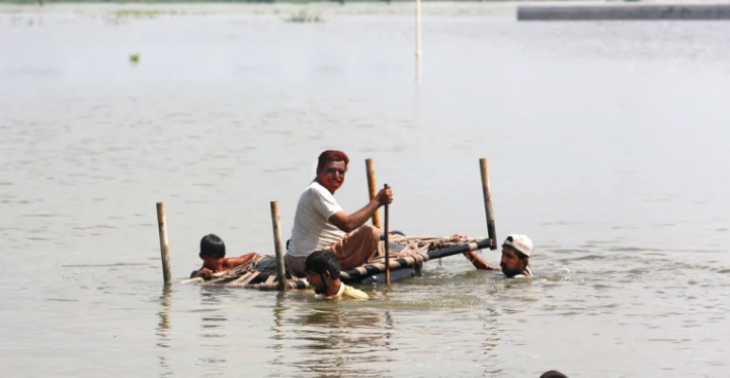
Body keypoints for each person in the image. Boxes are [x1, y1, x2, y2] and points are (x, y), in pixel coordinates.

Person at [285, 150, 393, 278]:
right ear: (319, 170)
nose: (336, 176)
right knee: (371, 232)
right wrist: (378, 201)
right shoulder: (317, 192)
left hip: (300, 258)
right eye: (331, 171)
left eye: (341, 172)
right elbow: (347, 224)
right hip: (311, 261)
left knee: (371, 236)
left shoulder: (317, 190)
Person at [190, 234, 263, 279]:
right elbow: (193, 279)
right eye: (216, 257)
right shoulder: (198, 273)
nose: (220, 260)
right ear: (202, 256)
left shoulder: (228, 263)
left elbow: (253, 255)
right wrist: (199, 275)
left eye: (222, 256)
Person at [305, 250, 369, 300]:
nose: (307, 279)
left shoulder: (357, 298)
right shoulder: (313, 294)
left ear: (326, 275)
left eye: (311, 274)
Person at [464, 234, 533, 278]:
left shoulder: (519, 281)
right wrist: (465, 250)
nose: (503, 260)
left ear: (523, 262)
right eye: (503, 254)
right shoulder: (513, 272)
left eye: (509, 256)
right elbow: (488, 269)